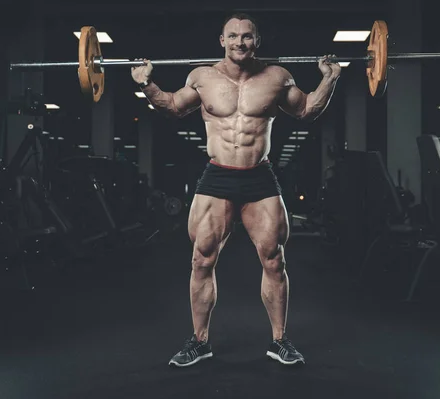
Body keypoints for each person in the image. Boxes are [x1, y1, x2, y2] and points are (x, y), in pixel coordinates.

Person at [131, 12, 341, 367]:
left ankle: (280, 341)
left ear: (256, 41)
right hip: (218, 176)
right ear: (222, 40)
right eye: (233, 36)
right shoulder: (202, 77)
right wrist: (146, 83)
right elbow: (171, 106)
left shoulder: (276, 77)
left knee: (274, 259)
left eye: (247, 36)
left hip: (259, 176)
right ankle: (199, 341)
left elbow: (306, 109)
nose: (240, 42)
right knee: (201, 259)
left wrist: (330, 79)